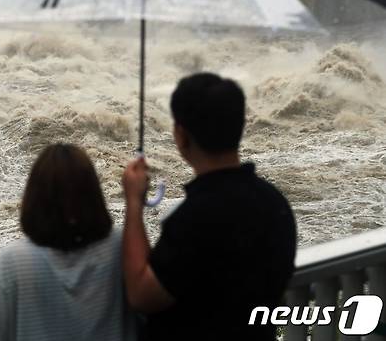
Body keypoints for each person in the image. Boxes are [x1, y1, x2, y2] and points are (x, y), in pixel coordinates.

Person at [122, 72, 297, 340]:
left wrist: (133, 204)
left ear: (180, 135)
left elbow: (141, 295)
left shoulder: (195, 219)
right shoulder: (275, 203)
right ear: (241, 126)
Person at [0, 143, 136, 341]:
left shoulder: (15, 261)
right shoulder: (121, 246)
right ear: (93, 194)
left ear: (34, 197)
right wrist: (136, 200)